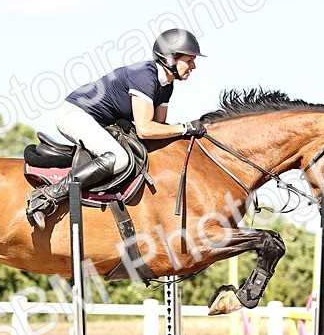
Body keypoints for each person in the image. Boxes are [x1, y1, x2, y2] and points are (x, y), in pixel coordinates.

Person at [26, 28, 208, 228]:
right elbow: (145, 129)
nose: (194, 66)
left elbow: (159, 127)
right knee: (119, 158)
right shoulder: (145, 76)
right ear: (170, 59)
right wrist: (186, 127)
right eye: (189, 60)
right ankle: (46, 197)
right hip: (74, 114)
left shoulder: (166, 86)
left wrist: (187, 131)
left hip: (96, 121)